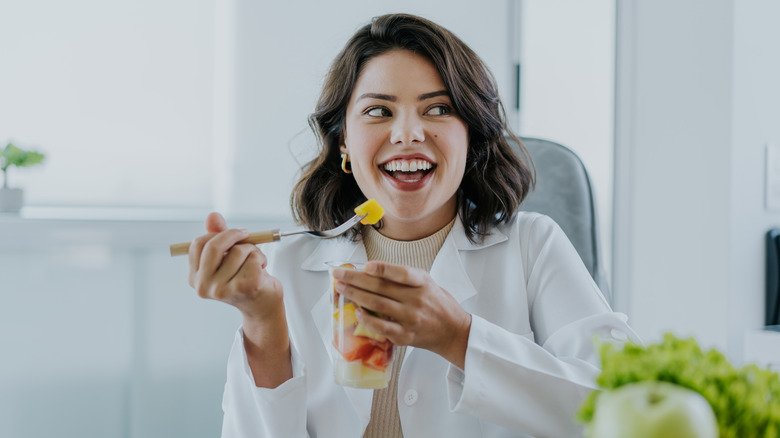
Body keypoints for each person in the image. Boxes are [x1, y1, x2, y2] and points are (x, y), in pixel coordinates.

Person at [187, 13, 639, 438]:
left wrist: (459, 337)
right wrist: (263, 322)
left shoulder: (532, 246)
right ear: (343, 140)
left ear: (473, 135)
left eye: (438, 109)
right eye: (379, 111)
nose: (408, 133)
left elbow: (630, 408)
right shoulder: (285, 266)